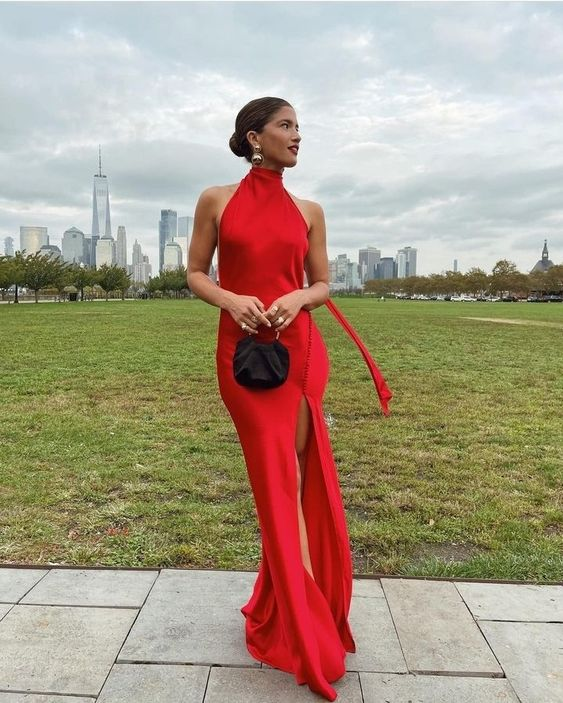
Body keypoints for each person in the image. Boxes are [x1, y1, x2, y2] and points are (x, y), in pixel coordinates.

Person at [187, 97, 391, 702]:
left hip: (300, 354)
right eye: (286, 126)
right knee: (272, 479)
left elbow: (322, 281)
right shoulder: (216, 200)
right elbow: (196, 272)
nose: (298, 135)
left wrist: (300, 299)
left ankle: (292, 605)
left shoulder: (310, 210)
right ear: (255, 136)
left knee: (298, 479)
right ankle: (299, 620)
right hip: (243, 358)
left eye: (299, 126)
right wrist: (231, 299)